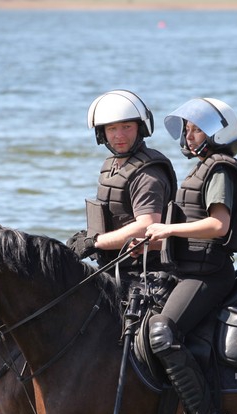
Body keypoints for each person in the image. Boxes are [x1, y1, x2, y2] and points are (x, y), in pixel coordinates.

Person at [143, 98, 237, 414]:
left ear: (218, 133)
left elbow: (219, 225)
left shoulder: (220, 170)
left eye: (197, 129)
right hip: (185, 270)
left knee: (162, 331)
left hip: (208, 275)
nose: (189, 136)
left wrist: (168, 229)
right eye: (187, 129)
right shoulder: (201, 168)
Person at [67, 90, 176, 278]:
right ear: (102, 133)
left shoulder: (147, 174)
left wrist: (95, 242)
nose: (119, 135)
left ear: (141, 128)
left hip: (146, 273)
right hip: (114, 267)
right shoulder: (112, 166)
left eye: (127, 127)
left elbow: (147, 226)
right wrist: (89, 235)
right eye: (111, 129)